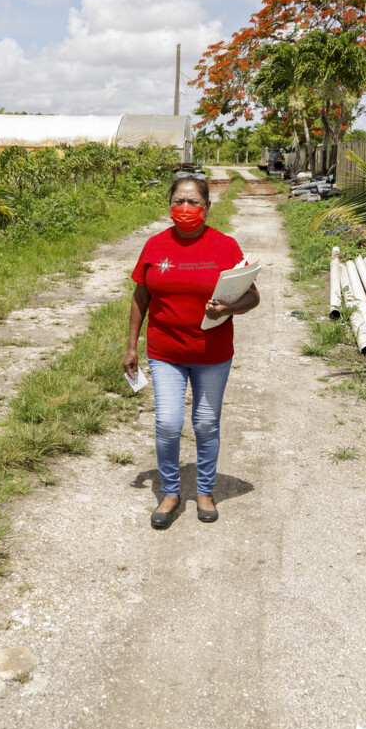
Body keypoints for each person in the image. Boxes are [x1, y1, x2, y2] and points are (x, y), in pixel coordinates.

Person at [124, 175, 259, 528]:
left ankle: (204, 491)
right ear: (170, 206)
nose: (186, 209)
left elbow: (252, 296)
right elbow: (141, 298)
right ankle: (170, 493)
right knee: (168, 423)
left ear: (207, 207)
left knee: (205, 423)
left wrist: (226, 309)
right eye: (179, 202)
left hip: (212, 353)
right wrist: (131, 347)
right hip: (164, 351)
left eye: (194, 202)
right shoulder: (154, 246)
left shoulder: (226, 246)